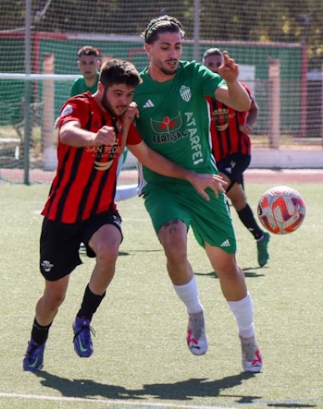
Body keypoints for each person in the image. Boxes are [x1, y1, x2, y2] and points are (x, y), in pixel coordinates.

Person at [23, 58, 225, 371]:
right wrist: (94, 137)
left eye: (128, 95)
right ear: (101, 87)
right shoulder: (78, 105)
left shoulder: (125, 117)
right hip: (62, 214)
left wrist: (191, 176)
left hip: (100, 210)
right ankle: (37, 339)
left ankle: (84, 319)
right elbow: (66, 133)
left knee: (110, 250)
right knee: (53, 298)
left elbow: (146, 155)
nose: (123, 101)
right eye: (117, 94)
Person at [131, 15, 263, 373]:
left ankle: (248, 338)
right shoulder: (135, 90)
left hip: (205, 181)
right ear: (148, 49)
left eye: (177, 46)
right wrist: (187, 175)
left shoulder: (194, 73)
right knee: (174, 245)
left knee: (227, 267)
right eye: (165, 47)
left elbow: (237, 104)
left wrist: (233, 82)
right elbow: (143, 152)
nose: (173, 54)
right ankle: (195, 315)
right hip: (164, 184)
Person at [202, 48, 270, 267]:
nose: (214, 68)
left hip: (238, 153)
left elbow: (254, 108)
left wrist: (249, 123)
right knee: (238, 199)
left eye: (217, 63)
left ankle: (225, 245)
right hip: (214, 156)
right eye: (210, 64)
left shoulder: (238, 89)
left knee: (218, 186)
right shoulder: (202, 94)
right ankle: (260, 236)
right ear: (204, 66)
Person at [71, 45, 138, 202]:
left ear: (98, 64)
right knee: (95, 191)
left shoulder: (108, 82)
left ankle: (143, 188)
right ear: (78, 64)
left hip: (113, 141)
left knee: (104, 192)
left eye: (91, 62)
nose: (88, 67)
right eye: (84, 63)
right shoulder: (77, 85)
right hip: (91, 144)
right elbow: (77, 113)